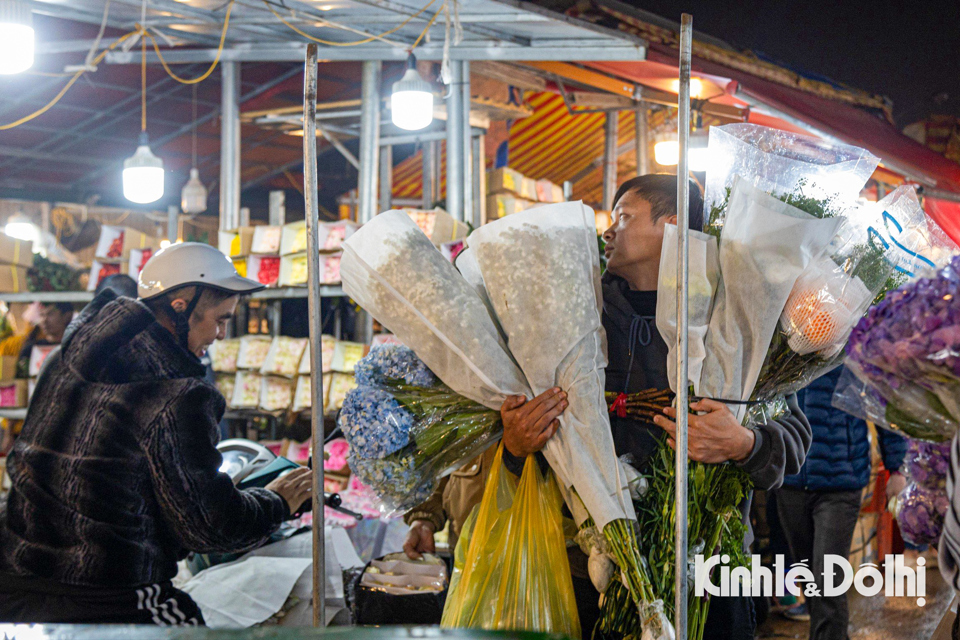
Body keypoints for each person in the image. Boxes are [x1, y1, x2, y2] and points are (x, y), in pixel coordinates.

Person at [404, 174, 812, 639]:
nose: (608, 231)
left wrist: (745, 443)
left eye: (624, 217)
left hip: (709, 570)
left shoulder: (732, 317)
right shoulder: (571, 317)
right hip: (588, 571)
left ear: (673, 226)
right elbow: (497, 435)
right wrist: (516, 444)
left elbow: (795, 439)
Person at [0, 242, 312, 625]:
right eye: (220, 319)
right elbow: (210, 526)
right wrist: (277, 502)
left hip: (16, 582)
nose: (219, 334)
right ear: (180, 306)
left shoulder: (65, 356)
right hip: (108, 595)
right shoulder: (178, 395)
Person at [776, 367, 906, 639]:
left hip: (841, 481)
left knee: (828, 582)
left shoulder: (853, 339)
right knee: (810, 579)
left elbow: (883, 400)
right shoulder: (786, 336)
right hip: (791, 478)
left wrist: (897, 468)